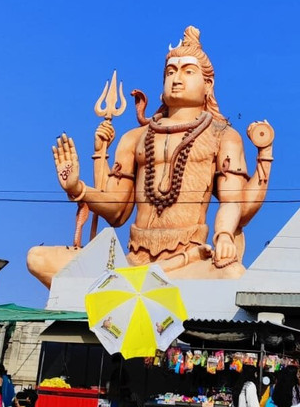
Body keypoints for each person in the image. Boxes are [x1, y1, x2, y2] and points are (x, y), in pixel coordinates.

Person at [32, 26, 275, 283]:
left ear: (208, 84)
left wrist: (224, 235)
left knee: (233, 274)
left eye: (188, 71)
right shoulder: (134, 138)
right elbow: (116, 212)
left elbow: (234, 202)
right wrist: (77, 188)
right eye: (170, 72)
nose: (176, 79)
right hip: (132, 262)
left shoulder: (223, 135)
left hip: (186, 263)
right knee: (38, 258)